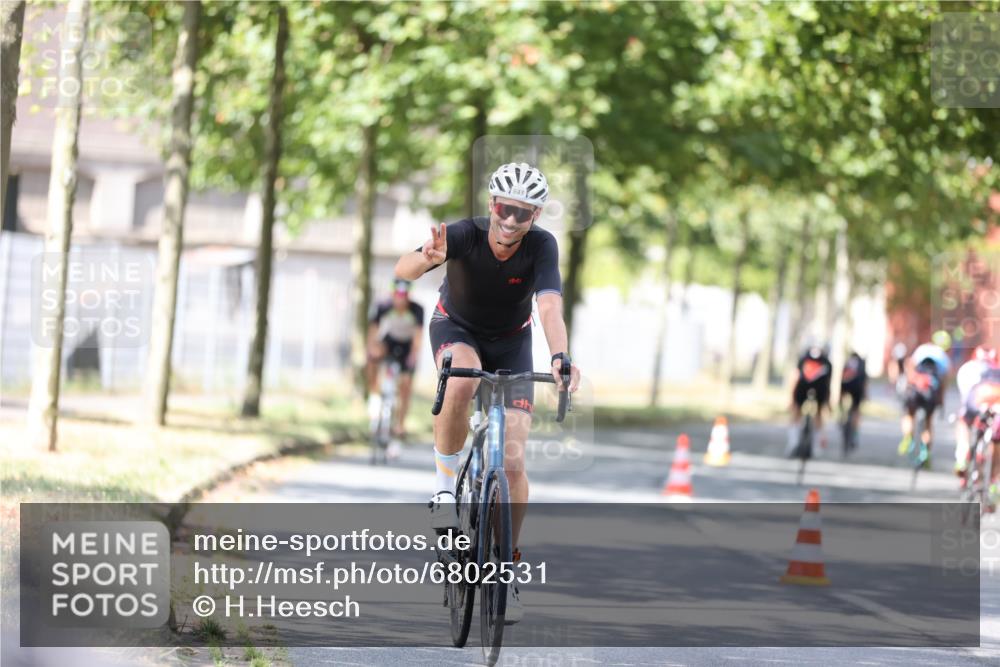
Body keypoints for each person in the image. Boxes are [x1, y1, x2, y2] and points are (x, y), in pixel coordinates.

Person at [394, 162, 581, 624]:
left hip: (512, 342)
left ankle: (507, 567)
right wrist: (427, 259)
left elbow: (551, 305)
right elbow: (403, 268)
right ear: (491, 205)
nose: (511, 220)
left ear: (535, 216)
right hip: (456, 327)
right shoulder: (463, 234)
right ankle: (443, 489)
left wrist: (560, 357)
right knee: (463, 376)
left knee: (514, 460)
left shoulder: (542, 246)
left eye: (523, 212)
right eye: (504, 208)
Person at [366, 278, 424, 440]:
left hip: (407, 347)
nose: (401, 299)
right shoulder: (383, 306)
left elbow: (417, 337)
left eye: (404, 295)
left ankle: (400, 423)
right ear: (392, 294)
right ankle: (374, 395)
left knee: (405, 385)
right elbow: (373, 332)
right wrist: (372, 349)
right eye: (398, 295)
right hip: (389, 341)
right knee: (372, 357)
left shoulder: (417, 309)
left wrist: (413, 356)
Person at [897, 329, 952, 468]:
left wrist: (908, 385)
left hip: (916, 390)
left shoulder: (922, 349)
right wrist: (941, 401)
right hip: (931, 393)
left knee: (909, 415)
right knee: (928, 422)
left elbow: (911, 366)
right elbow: (943, 383)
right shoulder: (944, 357)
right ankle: (925, 452)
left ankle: (907, 437)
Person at [788, 342, 833, 454]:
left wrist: (790, 398)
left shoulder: (803, 359)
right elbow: (828, 383)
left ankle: (793, 442)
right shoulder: (827, 362)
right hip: (819, 389)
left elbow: (795, 377)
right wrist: (828, 402)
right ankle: (816, 446)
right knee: (819, 415)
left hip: (802, 388)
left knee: (796, 412)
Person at [839, 351, 867, 451]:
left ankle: (841, 415)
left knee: (843, 403)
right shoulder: (862, 364)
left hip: (846, 385)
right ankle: (855, 433)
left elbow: (842, 378)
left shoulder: (847, 362)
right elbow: (864, 381)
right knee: (856, 410)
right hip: (857, 388)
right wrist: (865, 394)